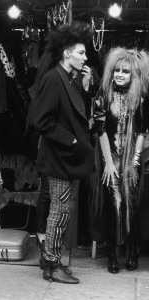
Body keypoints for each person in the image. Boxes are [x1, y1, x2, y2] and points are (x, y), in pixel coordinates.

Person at [32, 22, 94, 284]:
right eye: (81, 52)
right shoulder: (52, 78)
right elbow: (41, 121)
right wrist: (71, 141)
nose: (85, 57)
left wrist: (85, 86)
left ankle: (49, 259)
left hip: (67, 158)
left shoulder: (68, 78)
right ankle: (53, 264)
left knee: (63, 210)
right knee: (60, 210)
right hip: (58, 158)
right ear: (67, 53)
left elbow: (75, 115)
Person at [93, 47, 149, 274]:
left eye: (125, 71)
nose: (120, 74)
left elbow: (143, 132)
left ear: (133, 74)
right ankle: (113, 255)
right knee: (115, 205)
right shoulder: (103, 95)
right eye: (117, 70)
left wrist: (135, 161)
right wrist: (108, 162)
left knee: (132, 206)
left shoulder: (141, 98)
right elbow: (101, 130)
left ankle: (133, 251)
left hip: (132, 159)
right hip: (112, 158)